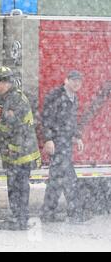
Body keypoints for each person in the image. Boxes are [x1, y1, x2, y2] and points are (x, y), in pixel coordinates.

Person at [0, 66, 41, 231]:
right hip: (13, 151)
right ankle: (17, 217)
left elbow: (15, 125)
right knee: (14, 186)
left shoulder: (16, 99)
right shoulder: (4, 99)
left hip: (20, 152)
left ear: (6, 83)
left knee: (19, 186)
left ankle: (20, 219)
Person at [40, 70, 88, 223]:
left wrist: (77, 137)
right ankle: (75, 212)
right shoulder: (56, 95)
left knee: (57, 179)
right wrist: (48, 139)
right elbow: (46, 118)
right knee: (69, 179)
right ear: (66, 80)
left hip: (66, 143)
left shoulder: (74, 98)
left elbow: (71, 121)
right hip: (57, 143)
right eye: (73, 80)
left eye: (79, 81)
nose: (76, 83)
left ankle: (48, 212)